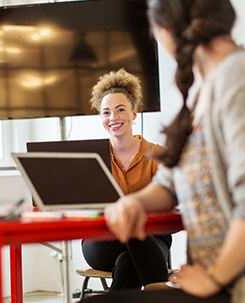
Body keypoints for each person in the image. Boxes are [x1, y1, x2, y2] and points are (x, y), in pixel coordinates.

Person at [83, 0, 245, 302]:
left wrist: (213, 278)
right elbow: (169, 183)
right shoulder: (204, 92)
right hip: (222, 283)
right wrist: (135, 203)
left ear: (168, 29)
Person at [81, 68, 171, 291]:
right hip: (102, 240)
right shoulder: (91, 158)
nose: (113, 118)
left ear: (134, 113)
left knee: (128, 260)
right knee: (134, 253)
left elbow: (172, 200)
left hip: (151, 238)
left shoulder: (157, 155)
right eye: (106, 112)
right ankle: (159, 293)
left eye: (120, 110)